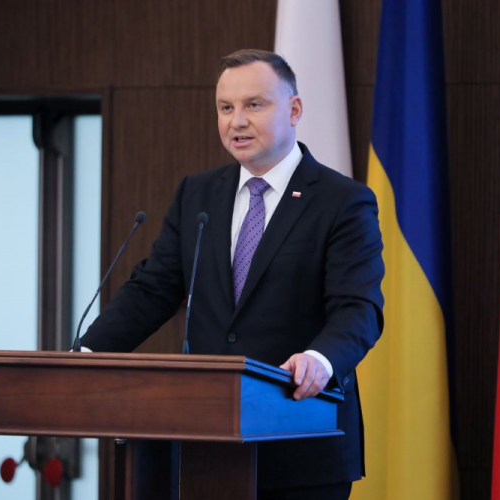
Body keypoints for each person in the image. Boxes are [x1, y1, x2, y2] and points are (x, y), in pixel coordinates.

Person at [80, 49, 384, 499]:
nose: (236, 121)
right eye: (226, 107)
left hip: (301, 444)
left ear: (294, 110)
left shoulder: (343, 201)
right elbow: (154, 289)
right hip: (205, 446)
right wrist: (87, 352)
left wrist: (320, 360)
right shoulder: (198, 194)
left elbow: (357, 308)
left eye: (253, 105)